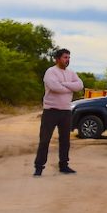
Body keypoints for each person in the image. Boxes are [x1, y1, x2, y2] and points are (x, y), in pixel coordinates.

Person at [33, 48, 84, 176]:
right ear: (57, 59)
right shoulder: (50, 72)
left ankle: (64, 165)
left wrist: (64, 84)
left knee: (65, 140)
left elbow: (79, 85)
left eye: (69, 57)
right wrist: (69, 87)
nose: (67, 60)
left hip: (66, 111)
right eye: (65, 57)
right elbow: (55, 87)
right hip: (51, 110)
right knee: (45, 140)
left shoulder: (71, 72)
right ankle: (39, 167)